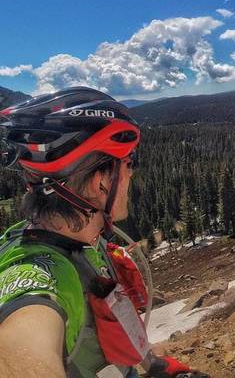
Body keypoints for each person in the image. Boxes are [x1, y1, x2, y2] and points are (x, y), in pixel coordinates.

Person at [0, 87, 208, 378]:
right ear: (101, 183)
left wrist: (155, 365)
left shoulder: (87, 242)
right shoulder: (37, 274)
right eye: (128, 163)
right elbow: (21, 348)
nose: (132, 173)